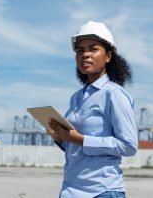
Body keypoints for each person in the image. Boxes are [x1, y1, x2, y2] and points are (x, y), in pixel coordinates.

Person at [46, 21, 138, 198]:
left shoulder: (114, 94)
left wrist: (80, 139)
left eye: (93, 49)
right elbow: (76, 147)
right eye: (80, 50)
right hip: (70, 191)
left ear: (108, 56)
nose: (85, 55)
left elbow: (128, 146)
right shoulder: (76, 97)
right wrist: (60, 138)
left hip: (101, 191)